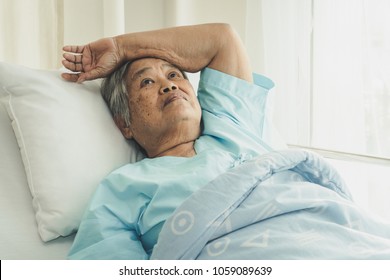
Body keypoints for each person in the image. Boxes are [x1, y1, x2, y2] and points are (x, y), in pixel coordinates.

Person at [61, 23, 282, 259]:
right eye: (146, 82)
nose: (169, 85)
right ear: (124, 124)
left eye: (173, 74)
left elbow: (222, 39)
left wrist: (121, 47)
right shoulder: (124, 187)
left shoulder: (231, 125)